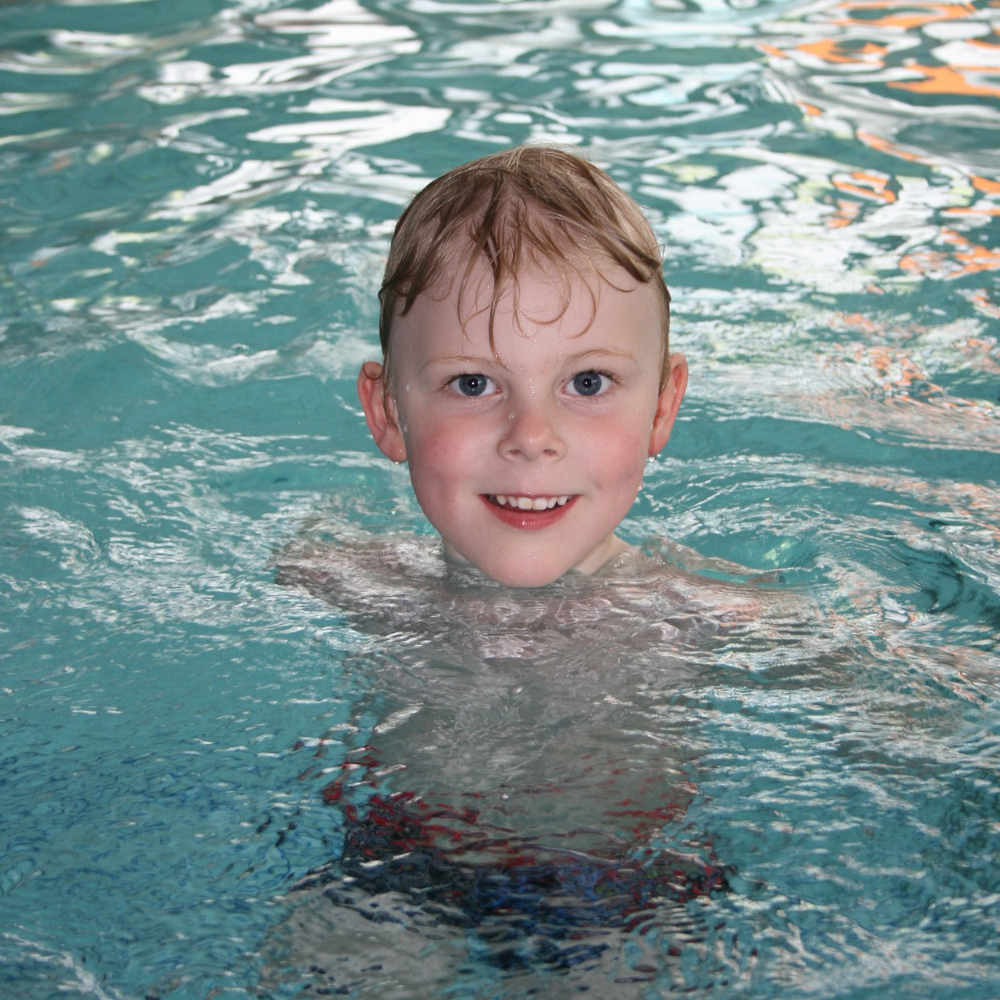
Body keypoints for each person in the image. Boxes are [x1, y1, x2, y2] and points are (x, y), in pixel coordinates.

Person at [355, 144, 688, 589]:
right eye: (473, 384)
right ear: (388, 413)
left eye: (587, 384)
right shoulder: (345, 587)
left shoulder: (723, 626)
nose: (531, 437)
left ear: (661, 409)